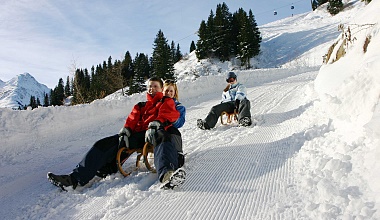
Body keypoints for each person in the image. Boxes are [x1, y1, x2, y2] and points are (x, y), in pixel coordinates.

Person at [47, 77, 186, 190]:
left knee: (163, 137)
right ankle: (75, 179)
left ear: (161, 89)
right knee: (103, 143)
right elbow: (131, 120)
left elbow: (170, 114)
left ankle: (167, 174)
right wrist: (126, 130)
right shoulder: (141, 105)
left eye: (155, 86)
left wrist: (157, 123)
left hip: (154, 132)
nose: (152, 89)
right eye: (150, 86)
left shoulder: (166, 101)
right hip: (137, 136)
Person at [162, 79, 186, 167]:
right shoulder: (157, 103)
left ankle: (178, 154)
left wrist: (174, 120)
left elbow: (180, 122)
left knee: (173, 131)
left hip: (170, 128)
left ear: (175, 92)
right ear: (162, 91)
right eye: (166, 90)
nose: (168, 93)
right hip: (158, 127)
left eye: (171, 91)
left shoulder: (179, 107)